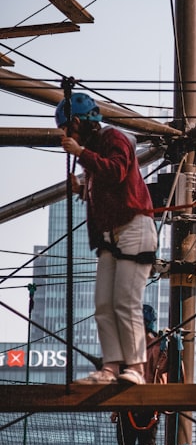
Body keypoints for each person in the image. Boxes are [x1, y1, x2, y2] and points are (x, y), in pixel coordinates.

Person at [56, 92, 157, 384]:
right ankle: (111, 367)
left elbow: (117, 171)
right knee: (103, 304)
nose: (66, 135)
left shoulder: (115, 138)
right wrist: (81, 188)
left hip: (134, 226)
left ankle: (136, 367)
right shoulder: (96, 149)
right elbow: (107, 187)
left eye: (67, 129)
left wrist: (80, 153)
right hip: (111, 232)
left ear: (77, 122)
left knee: (125, 301)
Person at [112, 305, 167, 445]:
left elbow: (118, 376)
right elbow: (167, 374)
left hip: (128, 404)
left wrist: (114, 407)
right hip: (149, 405)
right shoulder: (161, 345)